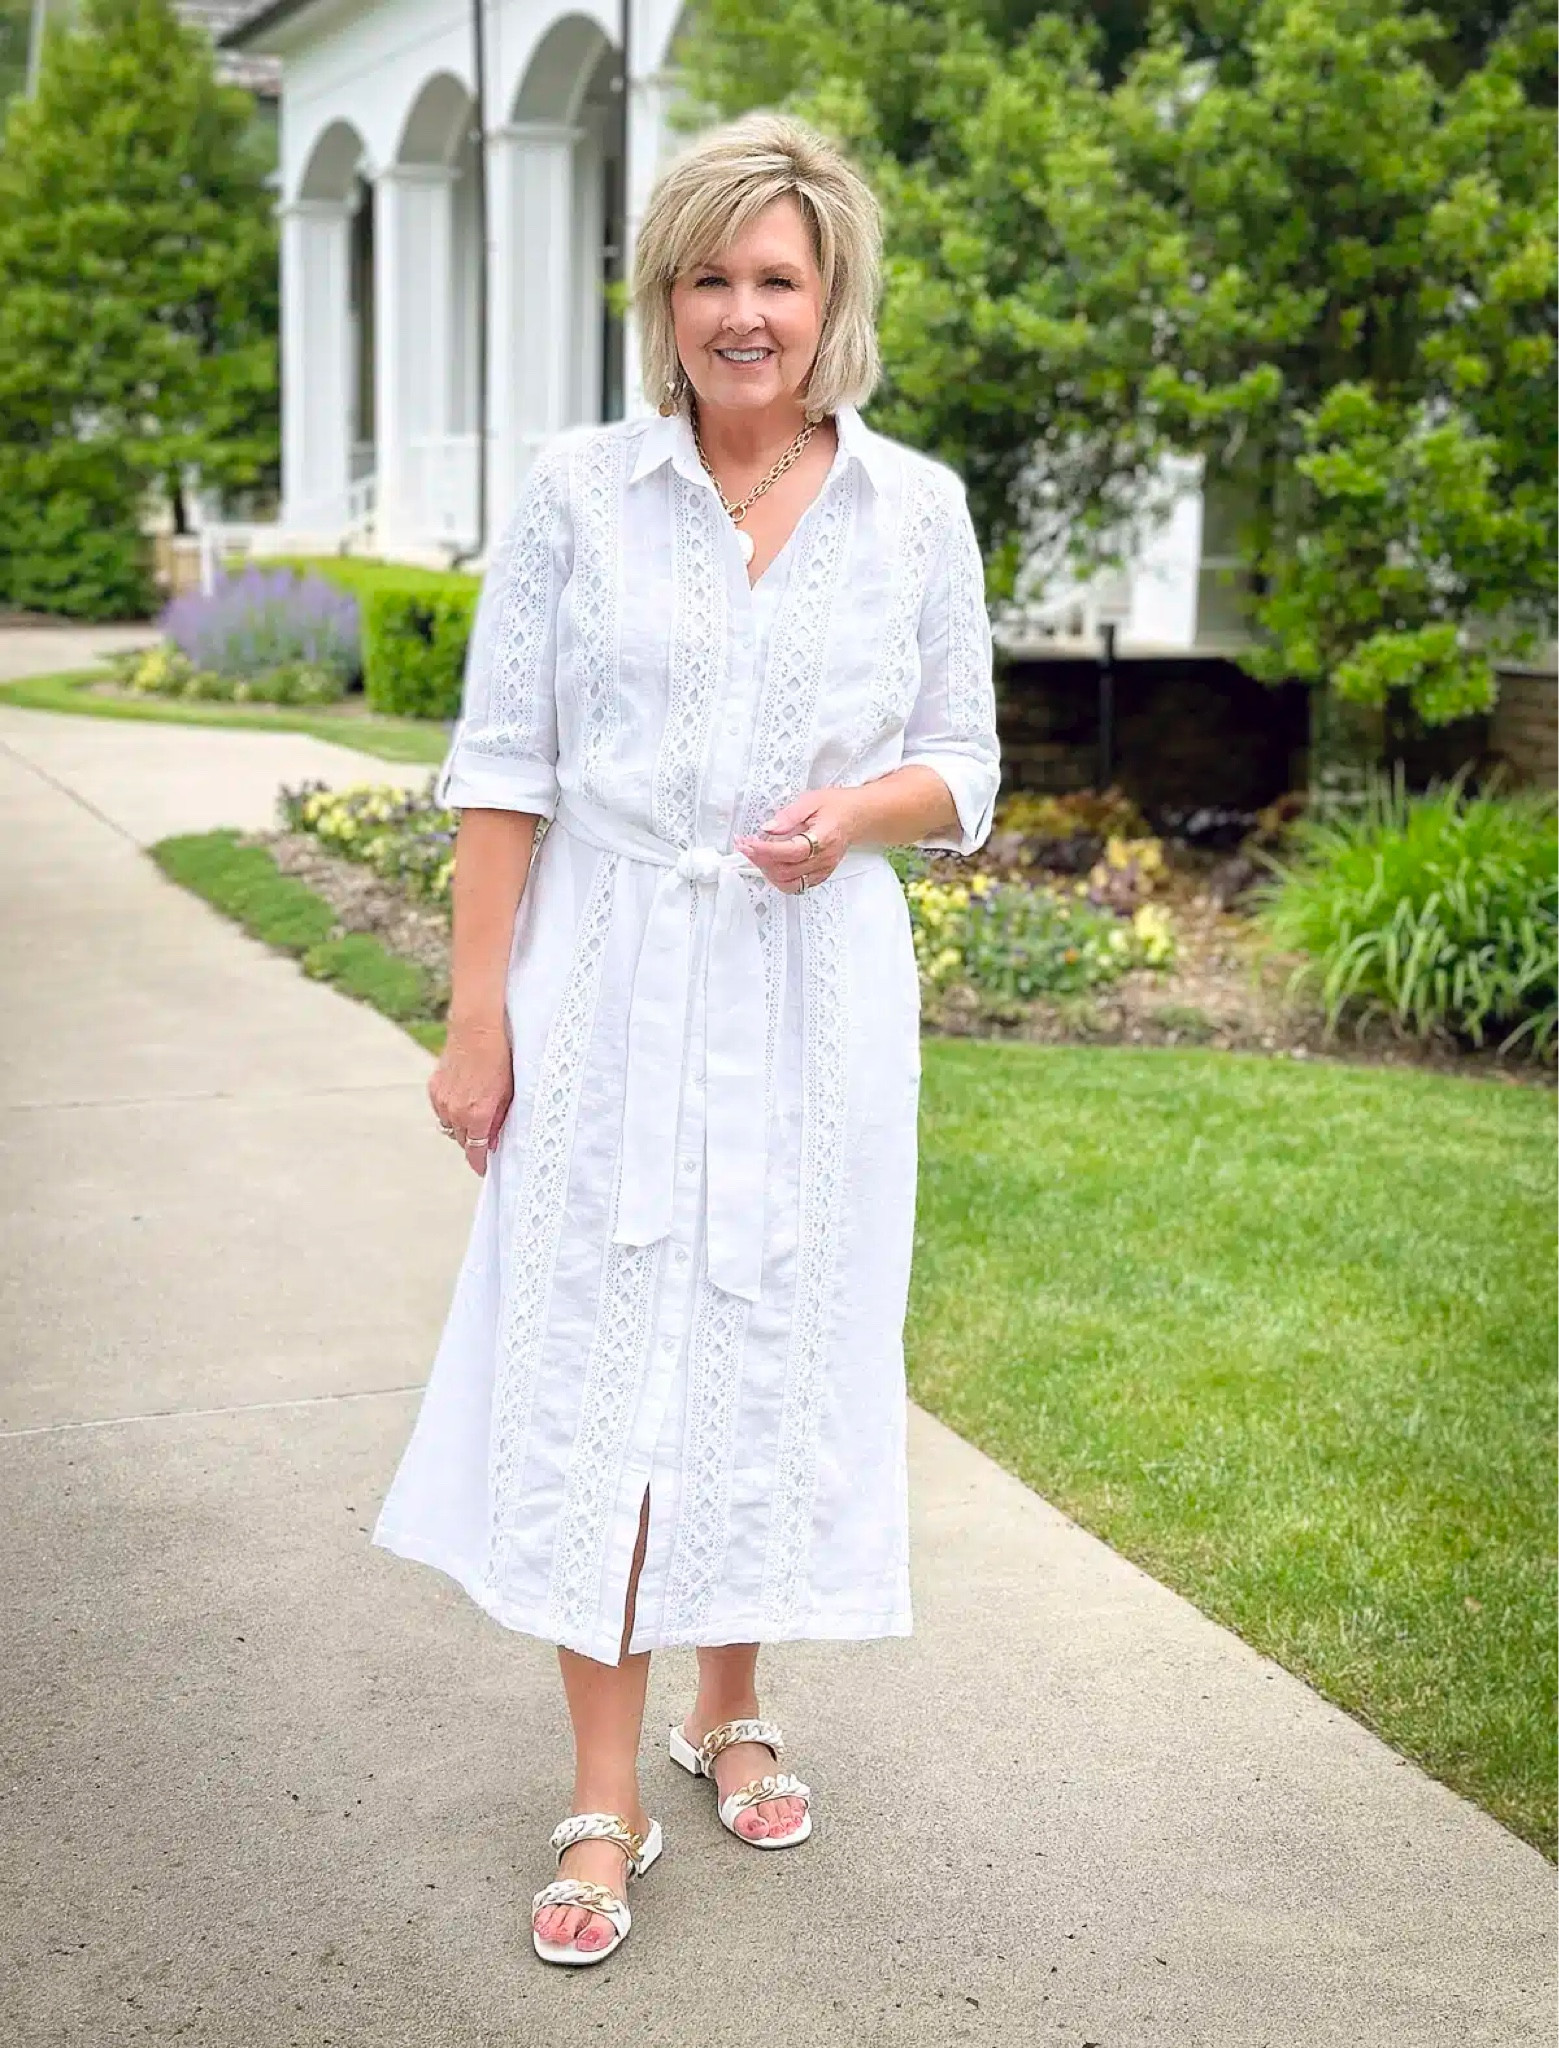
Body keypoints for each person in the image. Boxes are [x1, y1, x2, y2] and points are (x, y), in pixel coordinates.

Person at [370, 107, 1001, 1966]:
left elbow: (965, 763)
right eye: (712, 276)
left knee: (776, 1335)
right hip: (612, 975)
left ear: (831, 303)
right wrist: (477, 1016)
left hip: (815, 995)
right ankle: (602, 1785)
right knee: (604, 1361)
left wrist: (852, 821)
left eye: (777, 279)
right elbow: (504, 771)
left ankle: (735, 1701)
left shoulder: (917, 510)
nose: (745, 312)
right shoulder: (580, 494)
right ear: (666, 297)